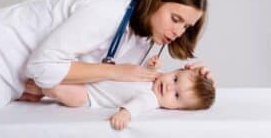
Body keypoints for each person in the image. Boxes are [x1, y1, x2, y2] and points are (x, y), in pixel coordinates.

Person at [0, 0, 210, 135]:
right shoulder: (107, 11)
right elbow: (43, 67)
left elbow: (118, 81)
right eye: (175, 18)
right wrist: (115, 73)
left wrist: (197, 83)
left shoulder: (145, 34)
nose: (179, 32)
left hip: (19, 72)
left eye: (186, 26)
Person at [22, 55, 215, 131]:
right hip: (93, 79)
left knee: (57, 89)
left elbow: (138, 104)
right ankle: (36, 85)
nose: (169, 88)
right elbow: (138, 71)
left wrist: (125, 113)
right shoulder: (155, 77)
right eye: (175, 79)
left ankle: (40, 89)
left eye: (176, 96)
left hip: (89, 96)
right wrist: (151, 65)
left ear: (178, 109)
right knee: (64, 72)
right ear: (177, 70)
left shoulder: (152, 98)